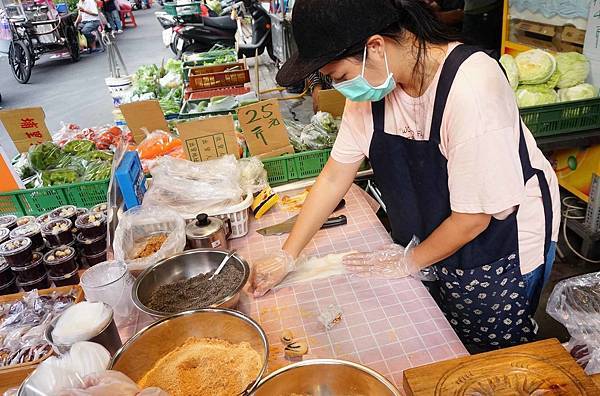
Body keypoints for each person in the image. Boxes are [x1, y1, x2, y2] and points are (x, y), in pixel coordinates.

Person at [251, 0, 560, 353]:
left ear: (376, 47)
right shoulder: (374, 87)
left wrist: (407, 261)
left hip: (497, 243)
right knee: (436, 335)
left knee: (488, 353)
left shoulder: (471, 87)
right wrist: (287, 255)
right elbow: (336, 176)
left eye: (340, 77)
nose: (342, 88)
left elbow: (474, 219)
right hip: (436, 232)